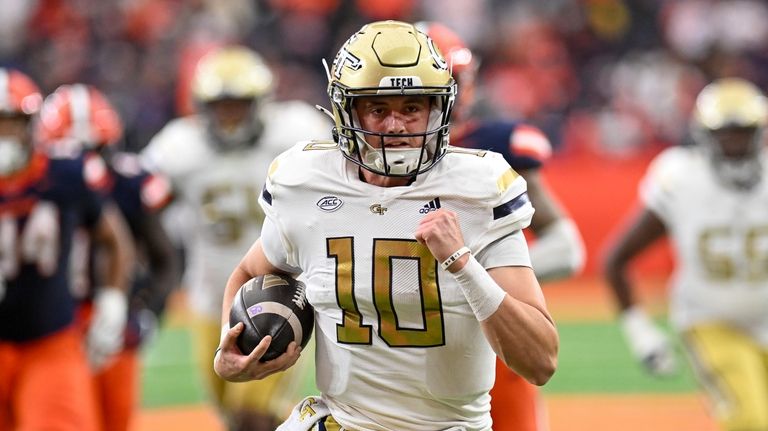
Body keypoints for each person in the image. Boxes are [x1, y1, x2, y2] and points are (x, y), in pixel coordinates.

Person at [214, 20, 559, 430]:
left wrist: (462, 264)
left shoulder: (478, 191)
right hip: (342, 420)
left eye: (412, 108)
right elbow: (252, 271)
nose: (395, 126)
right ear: (345, 110)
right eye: (377, 109)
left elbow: (541, 361)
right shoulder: (305, 181)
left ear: (439, 109)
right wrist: (231, 342)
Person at [140, 45, 331, 430]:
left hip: (279, 291)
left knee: (251, 416)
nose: (230, 116)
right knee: (233, 415)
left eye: (239, 104)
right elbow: (138, 202)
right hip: (209, 296)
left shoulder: (294, 133)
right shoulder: (180, 147)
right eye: (221, 105)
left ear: (262, 101)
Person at [418, 21, 585, 431]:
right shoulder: (349, 163)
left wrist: (475, 282)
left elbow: (567, 247)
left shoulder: (494, 147)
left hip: (485, 335)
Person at [604, 77, 768, 431]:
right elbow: (616, 258)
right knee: (751, 421)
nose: (734, 144)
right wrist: (639, 331)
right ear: (704, 135)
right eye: (725, 134)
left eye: (742, 133)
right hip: (711, 320)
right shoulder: (682, 177)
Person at [37, 82, 180, 431]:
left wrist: (149, 312)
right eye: (69, 152)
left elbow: (165, 256)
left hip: (114, 316)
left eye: (92, 150)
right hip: (51, 319)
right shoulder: (32, 185)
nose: (82, 165)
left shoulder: (130, 182)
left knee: (114, 420)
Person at [0, 68, 134, 431]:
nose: (3, 135)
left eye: (9, 122)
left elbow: (113, 238)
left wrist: (112, 300)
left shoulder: (64, 174)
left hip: (49, 339)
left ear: (31, 125)